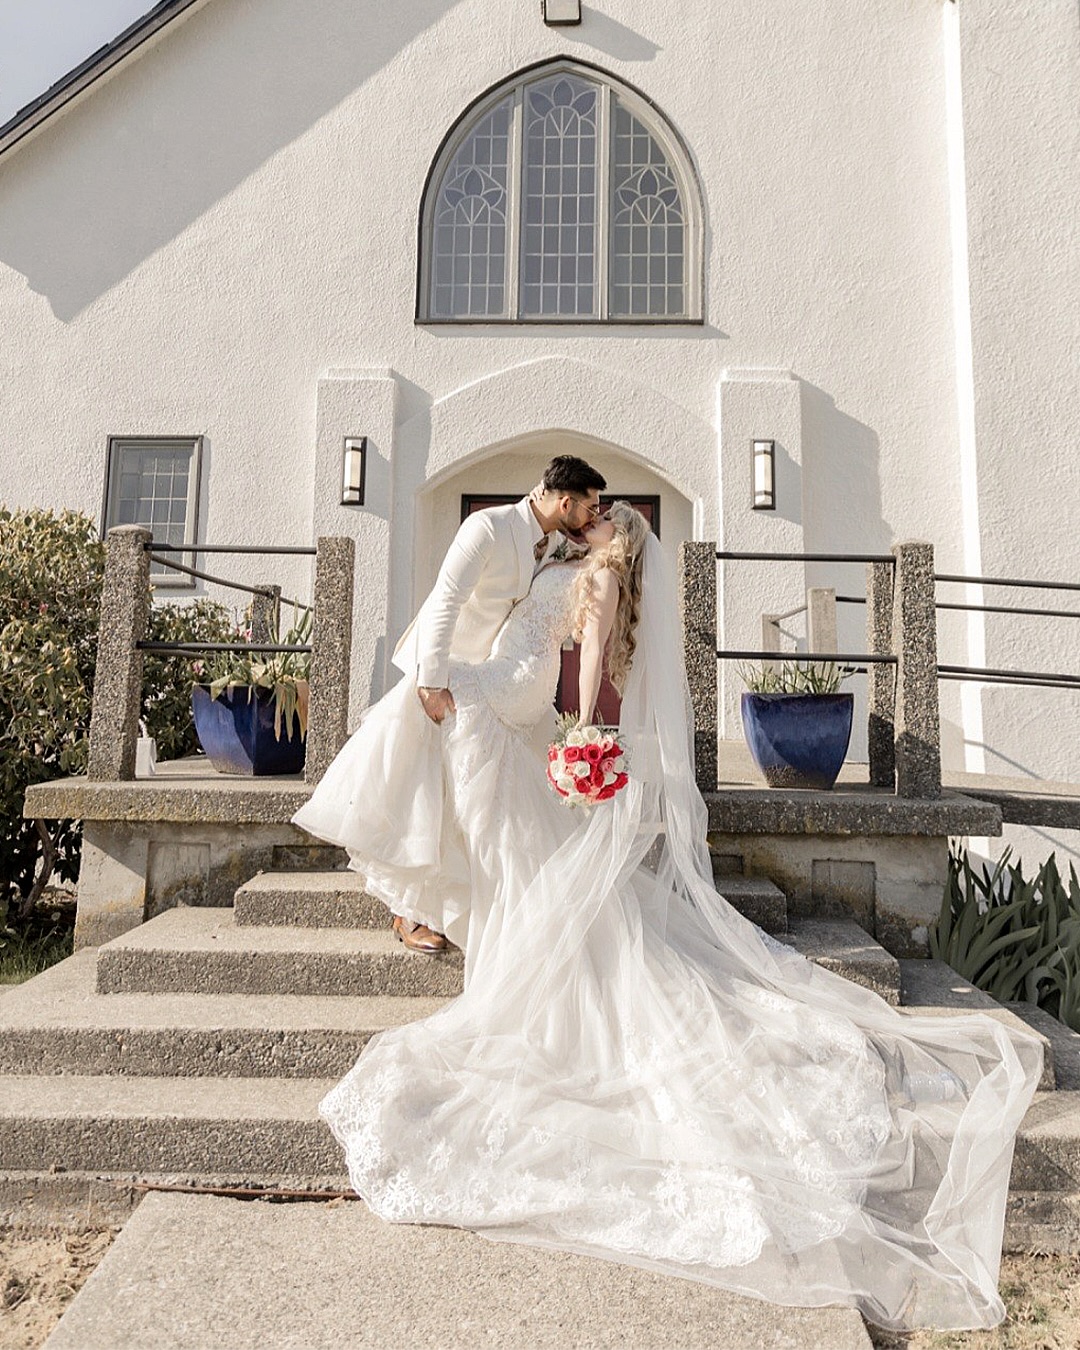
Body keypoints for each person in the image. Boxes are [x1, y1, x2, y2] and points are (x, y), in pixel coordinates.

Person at [292, 503, 1044, 1333]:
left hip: (522, 708)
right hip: (506, 703)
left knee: (539, 874)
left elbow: (587, 657)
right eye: (591, 511)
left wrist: (583, 731)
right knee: (517, 851)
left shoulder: (601, 578)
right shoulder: (572, 564)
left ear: (615, 538)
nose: (592, 520)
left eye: (602, 518)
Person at [312, 453, 605, 954]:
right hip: (446, 674)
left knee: (467, 795)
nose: (592, 516)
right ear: (565, 503)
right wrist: (430, 681)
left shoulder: (553, 542)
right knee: (421, 793)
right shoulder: (486, 527)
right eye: (590, 507)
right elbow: (445, 598)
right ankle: (407, 911)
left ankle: (450, 901)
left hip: (487, 681)